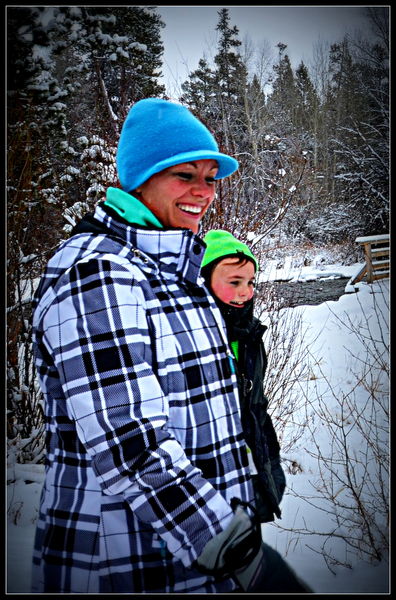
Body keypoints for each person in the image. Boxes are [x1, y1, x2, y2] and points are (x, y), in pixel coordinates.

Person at [31, 98, 311, 594]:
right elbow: (130, 444)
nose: (203, 193)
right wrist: (235, 547)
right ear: (140, 178)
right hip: (127, 563)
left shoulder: (174, 270)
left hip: (195, 559)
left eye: (210, 178)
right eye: (186, 176)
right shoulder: (99, 272)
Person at [200, 230, 286, 524]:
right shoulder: (195, 339)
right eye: (234, 282)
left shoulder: (251, 336)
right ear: (203, 281)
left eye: (250, 282)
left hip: (250, 473)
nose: (245, 291)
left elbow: (257, 406)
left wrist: (270, 468)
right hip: (208, 483)